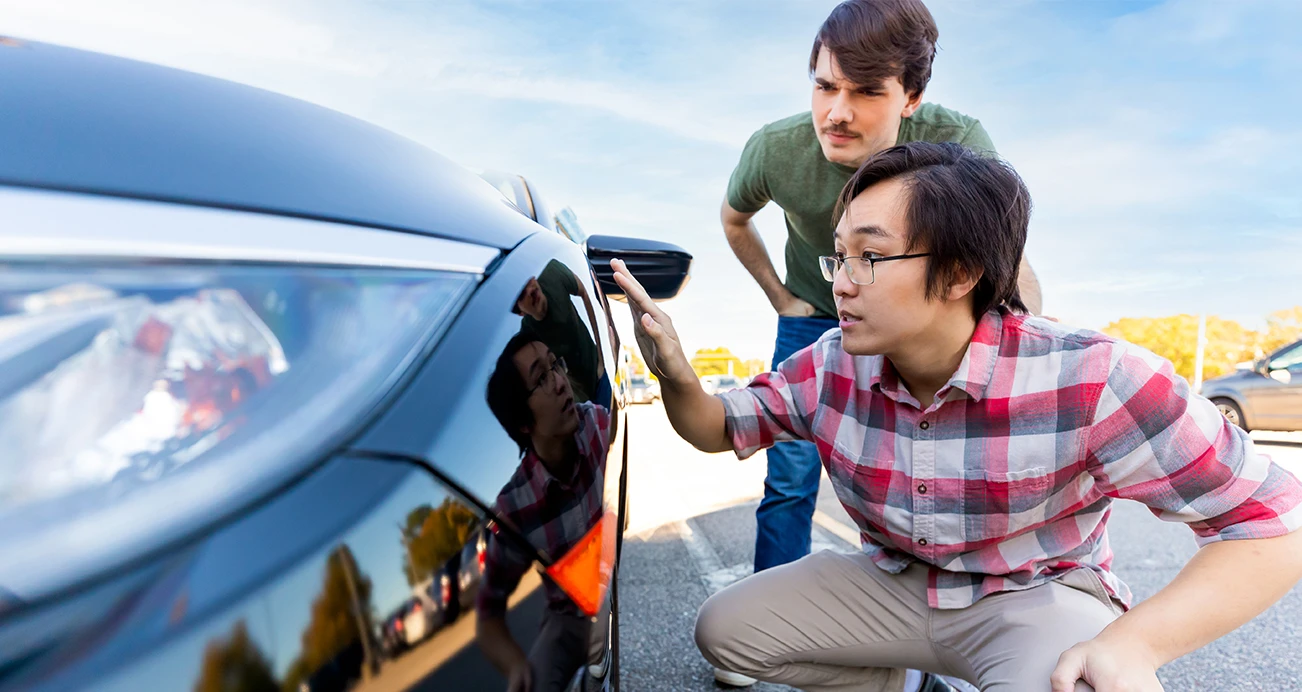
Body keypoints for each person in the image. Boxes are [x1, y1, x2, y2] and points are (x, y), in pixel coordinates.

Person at [615, 141, 1302, 691]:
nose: (842, 281)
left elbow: (1276, 524)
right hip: (892, 581)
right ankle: (902, 682)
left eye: (872, 257)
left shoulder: (1094, 376)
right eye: (842, 254)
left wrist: (1135, 644)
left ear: (961, 272)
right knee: (727, 632)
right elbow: (717, 428)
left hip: (1031, 596)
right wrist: (674, 372)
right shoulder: (830, 364)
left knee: (1088, 682)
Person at [477, 330, 612, 692]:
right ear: (523, 423)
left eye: (556, 365)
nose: (559, 383)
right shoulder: (514, 507)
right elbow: (488, 614)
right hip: (569, 618)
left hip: (615, 591)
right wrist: (514, 664)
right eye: (541, 377)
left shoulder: (598, 427)